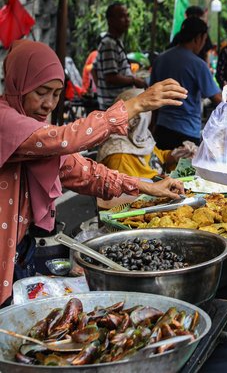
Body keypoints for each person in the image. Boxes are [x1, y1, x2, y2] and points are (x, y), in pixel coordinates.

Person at [0, 39, 187, 306]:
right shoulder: (7, 122)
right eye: (41, 92)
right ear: (19, 83)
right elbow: (65, 139)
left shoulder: (36, 132)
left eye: (55, 94)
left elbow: (85, 173)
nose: (48, 104)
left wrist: (146, 186)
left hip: (20, 249)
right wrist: (133, 106)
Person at [150, 17, 222, 150]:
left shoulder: (160, 59)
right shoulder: (198, 65)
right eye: (204, 40)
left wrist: (152, 128)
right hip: (187, 133)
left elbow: (152, 99)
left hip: (161, 129)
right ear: (198, 38)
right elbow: (218, 98)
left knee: (163, 169)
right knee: (184, 171)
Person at [97, 88, 197, 179]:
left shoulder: (138, 137)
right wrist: (157, 181)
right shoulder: (120, 158)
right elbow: (128, 193)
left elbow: (157, 158)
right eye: (149, 112)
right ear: (141, 119)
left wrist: (175, 155)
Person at [93, 2, 148, 109]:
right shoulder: (109, 43)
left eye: (127, 16)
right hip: (113, 105)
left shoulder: (115, 41)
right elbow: (111, 77)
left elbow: (94, 68)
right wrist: (134, 80)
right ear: (110, 20)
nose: (127, 20)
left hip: (114, 103)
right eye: (122, 16)